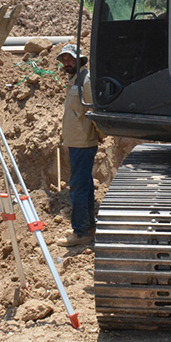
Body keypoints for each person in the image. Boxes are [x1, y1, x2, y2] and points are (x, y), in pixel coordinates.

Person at [55, 44, 102, 247]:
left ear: (80, 59)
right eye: (64, 59)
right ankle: (88, 226)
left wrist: (99, 134)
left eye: (70, 59)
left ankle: (81, 232)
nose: (67, 63)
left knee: (78, 188)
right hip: (77, 141)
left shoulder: (86, 80)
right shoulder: (75, 80)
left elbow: (94, 109)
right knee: (85, 186)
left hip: (83, 142)